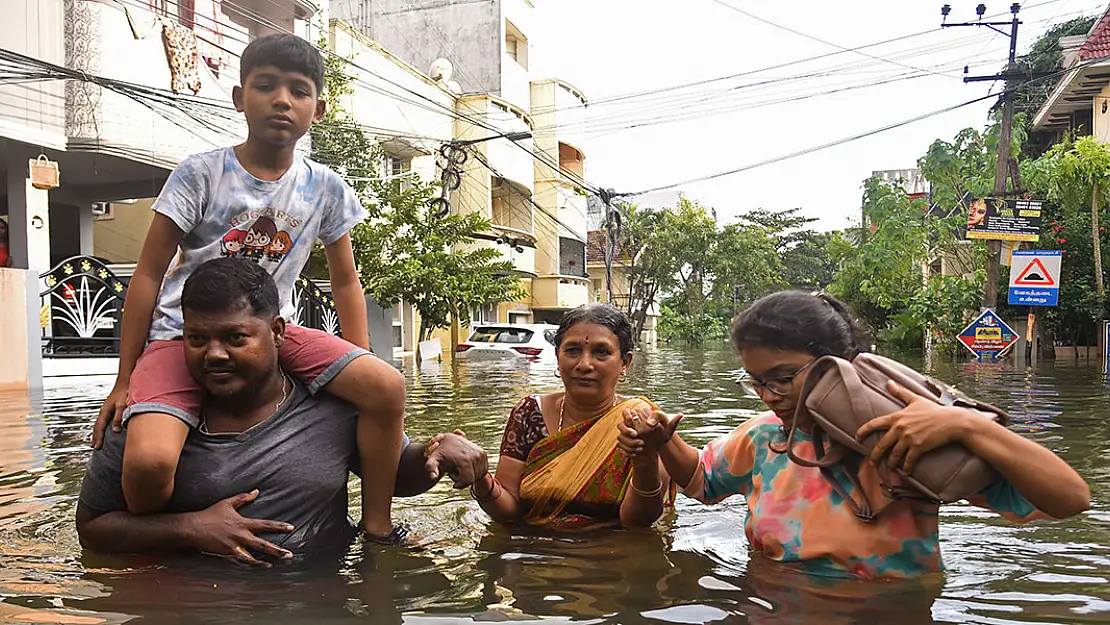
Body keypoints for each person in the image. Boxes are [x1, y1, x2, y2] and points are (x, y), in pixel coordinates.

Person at [90, 33, 407, 545]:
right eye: (266, 86)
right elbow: (147, 274)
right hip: (182, 333)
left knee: (386, 386)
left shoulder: (325, 187)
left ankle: (377, 529)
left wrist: (357, 361)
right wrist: (124, 379)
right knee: (148, 460)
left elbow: (346, 279)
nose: (282, 100)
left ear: (318, 109)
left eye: (298, 91)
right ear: (241, 99)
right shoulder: (201, 173)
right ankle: (167, 537)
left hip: (271, 332)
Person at [619, 291, 1090, 579]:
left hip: (887, 610)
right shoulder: (766, 438)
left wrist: (966, 423)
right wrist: (664, 441)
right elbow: (702, 483)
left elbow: (1070, 499)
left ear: (836, 364)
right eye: (757, 381)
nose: (770, 395)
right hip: (774, 603)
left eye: (785, 377)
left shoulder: (907, 437)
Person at [77, 258, 488, 565]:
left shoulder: (334, 404)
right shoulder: (147, 420)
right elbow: (93, 530)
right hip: (195, 605)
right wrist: (190, 528)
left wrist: (438, 449)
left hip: (324, 598)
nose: (214, 354)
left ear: (277, 332)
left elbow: (396, 473)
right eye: (197, 338)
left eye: (236, 338)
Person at [470, 303, 672, 530]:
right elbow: (508, 510)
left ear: (624, 363)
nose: (585, 364)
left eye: (601, 352)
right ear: (558, 356)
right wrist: (480, 480)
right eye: (573, 350)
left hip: (611, 554)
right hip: (535, 552)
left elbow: (637, 522)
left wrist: (645, 461)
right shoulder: (528, 414)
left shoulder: (644, 422)